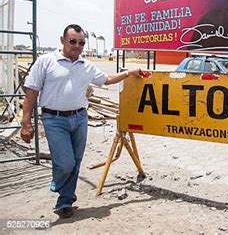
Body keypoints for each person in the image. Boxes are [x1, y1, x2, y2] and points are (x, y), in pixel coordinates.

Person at [20, 24, 143, 219]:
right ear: (62, 40)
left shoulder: (86, 66)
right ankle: (58, 184)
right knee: (65, 163)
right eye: (73, 41)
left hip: (79, 118)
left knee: (75, 162)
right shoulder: (45, 62)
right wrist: (25, 123)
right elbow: (31, 93)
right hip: (54, 119)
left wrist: (129, 73)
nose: (77, 46)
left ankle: (65, 201)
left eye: (81, 43)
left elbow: (107, 79)